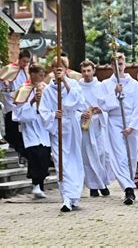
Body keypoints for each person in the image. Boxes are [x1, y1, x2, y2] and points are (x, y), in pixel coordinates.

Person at [39, 58, 85, 212]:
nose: (57, 70)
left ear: (66, 69)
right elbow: (43, 111)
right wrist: (53, 115)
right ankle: (66, 197)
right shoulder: (48, 90)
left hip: (71, 127)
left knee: (74, 160)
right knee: (61, 163)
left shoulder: (74, 85)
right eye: (55, 68)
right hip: (57, 129)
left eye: (61, 68)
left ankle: (75, 195)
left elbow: (78, 102)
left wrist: (64, 81)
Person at [100, 53, 138, 205]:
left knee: (131, 156)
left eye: (120, 63)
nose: (118, 67)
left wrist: (132, 126)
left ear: (124, 64)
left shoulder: (134, 84)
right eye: (115, 64)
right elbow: (103, 105)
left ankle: (130, 181)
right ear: (111, 66)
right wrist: (114, 92)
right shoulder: (106, 84)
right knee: (119, 156)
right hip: (115, 122)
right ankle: (128, 188)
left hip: (130, 122)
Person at [12, 64, 51, 197]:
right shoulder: (23, 90)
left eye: (43, 74)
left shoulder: (47, 89)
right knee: (35, 155)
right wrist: (32, 102)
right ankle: (35, 184)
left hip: (43, 126)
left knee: (44, 156)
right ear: (32, 74)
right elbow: (18, 113)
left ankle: (40, 185)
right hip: (31, 127)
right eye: (40, 75)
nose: (42, 77)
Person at [78, 60, 111, 197]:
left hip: (98, 124)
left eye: (89, 70)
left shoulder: (100, 86)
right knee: (87, 156)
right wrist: (81, 114)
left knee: (101, 154)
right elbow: (74, 105)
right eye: (84, 71)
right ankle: (93, 186)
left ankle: (102, 183)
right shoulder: (78, 87)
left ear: (93, 71)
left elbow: (108, 104)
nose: (86, 74)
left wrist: (101, 110)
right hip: (85, 124)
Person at [0, 49, 31, 164]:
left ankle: (22, 151)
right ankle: (17, 147)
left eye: (27, 62)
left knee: (22, 130)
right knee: (12, 128)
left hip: (24, 102)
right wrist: (8, 88)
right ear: (19, 59)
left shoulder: (27, 70)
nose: (25, 64)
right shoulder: (10, 68)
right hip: (12, 103)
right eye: (24, 61)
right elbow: (0, 84)